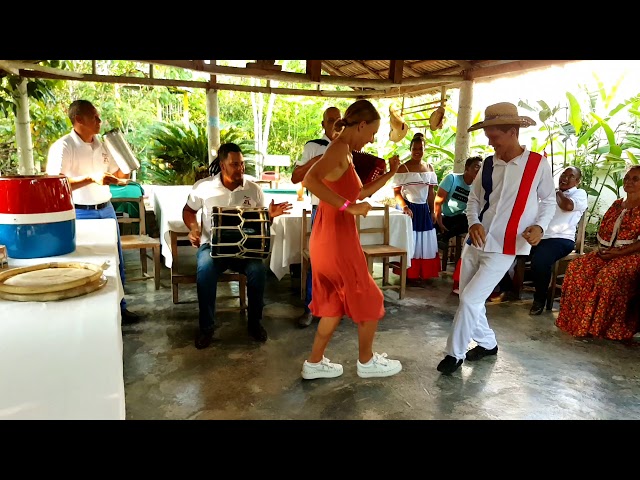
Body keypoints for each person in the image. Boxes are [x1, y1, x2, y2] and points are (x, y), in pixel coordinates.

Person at [436, 102, 556, 375]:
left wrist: (540, 226)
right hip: (476, 242)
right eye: (489, 138)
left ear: (513, 132)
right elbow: (474, 200)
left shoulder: (537, 164)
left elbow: (548, 201)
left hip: (506, 245)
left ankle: (453, 355)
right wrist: (474, 222)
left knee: (469, 300)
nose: (491, 144)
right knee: (469, 299)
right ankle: (488, 343)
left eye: (495, 138)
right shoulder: (488, 164)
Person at [299, 99, 403, 380]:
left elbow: (361, 193)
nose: (370, 140)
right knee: (370, 296)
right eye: (371, 133)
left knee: (332, 303)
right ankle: (367, 362)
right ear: (361, 125)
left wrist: (391, 174)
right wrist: (348, 208)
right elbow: (309, 180)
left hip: (328, 237)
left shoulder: (345, 152)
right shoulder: (338, 149)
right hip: (336, 239)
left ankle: (314, 363)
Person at [182, 143, 292, 349]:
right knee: (204, 270)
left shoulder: (253, 189)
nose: (240, 169)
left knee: (258, 270)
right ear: (222, 165)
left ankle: (255, 323)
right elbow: (188, 211)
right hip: (212, 246)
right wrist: (194, 228)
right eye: (234, 165)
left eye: (242, 164)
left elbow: (259, 224)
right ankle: (206, 328)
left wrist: (269, 216)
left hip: (245, 247)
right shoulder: (203, 187)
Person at [46, 99, 141, 325]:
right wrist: (91, 178)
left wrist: (123, 162)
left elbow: (120, 175)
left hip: (106, 209)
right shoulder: (64, 146)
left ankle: (121, 308)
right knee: (88, 262)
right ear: (78, 119)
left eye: (99, 117)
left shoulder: (103, 144)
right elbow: (55, 183)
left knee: (116, 260)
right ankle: (91, 313)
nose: (99, 121)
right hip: (79, 212)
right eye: (94, 118)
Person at [555, 165, 640, 340]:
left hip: (632, 256)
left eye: (635, 179)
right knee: (577, 268)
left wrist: (617, 254)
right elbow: (605, 230)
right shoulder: (618, 204)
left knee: (607, 276)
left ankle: (600, 328)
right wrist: (603, 250)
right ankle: (575, 322)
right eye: (627, 178)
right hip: (609, 252)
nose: (628, 182)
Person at [290, 106, 342, 328]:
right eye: (331, 120)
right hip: (320, 209)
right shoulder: (313, 146)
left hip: (342, 211)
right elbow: (295, 177)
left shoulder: (348, 149)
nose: (336, 124)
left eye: (340, 120)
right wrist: (316, 161)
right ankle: (311, 307)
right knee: (318, 259)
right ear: (323, 124)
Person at [528, 166, 588, 315]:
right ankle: (505, 288)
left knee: (540, 260)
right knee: (509, 249)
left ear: (578, 181)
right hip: (541, 236)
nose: (565, 178)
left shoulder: (579, 194)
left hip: (561, 239)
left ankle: (539, 299)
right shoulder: (550, 193)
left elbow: (567, 205)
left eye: (570, 176)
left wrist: (557, 192)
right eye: (563, 174)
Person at [391, 132, 441, 285]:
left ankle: (422, 273)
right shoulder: (402, 168)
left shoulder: (429, 167)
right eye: (414, 149)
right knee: (410, 240)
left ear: (425, 149)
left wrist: (432, 211)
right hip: (409, 209)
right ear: (410, 149)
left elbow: (431, 192)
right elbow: (396, 192)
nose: (417, 151)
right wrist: (405, 207)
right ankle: (409, 274)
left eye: (421, 148)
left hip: (423, 209)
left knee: (424, 240)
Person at [433, 155, 483, 243]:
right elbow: (438, 202)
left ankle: (443, 238)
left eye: (480, 168)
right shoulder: (452, 178)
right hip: (443, 217)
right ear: (467, 168)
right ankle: (441, 238)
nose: (478, 170)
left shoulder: (476, 187)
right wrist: (440, 223)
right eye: (476, 166)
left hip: (457, 220)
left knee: (470, 220)